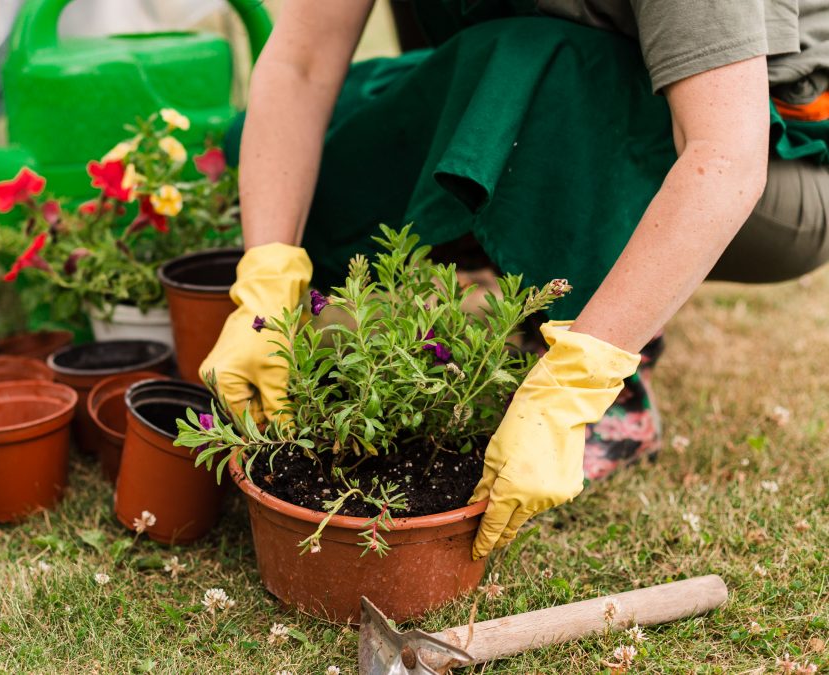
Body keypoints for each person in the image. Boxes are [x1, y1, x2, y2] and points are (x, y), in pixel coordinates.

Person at [200, 0, 829, 560]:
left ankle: (614, 366)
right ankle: (531, 275)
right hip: (579, 91)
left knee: (527, 63)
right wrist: (266, 276)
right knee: (302, 135)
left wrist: (576, 384)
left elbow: (723, 156)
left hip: (779, 159)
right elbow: (302, 65)